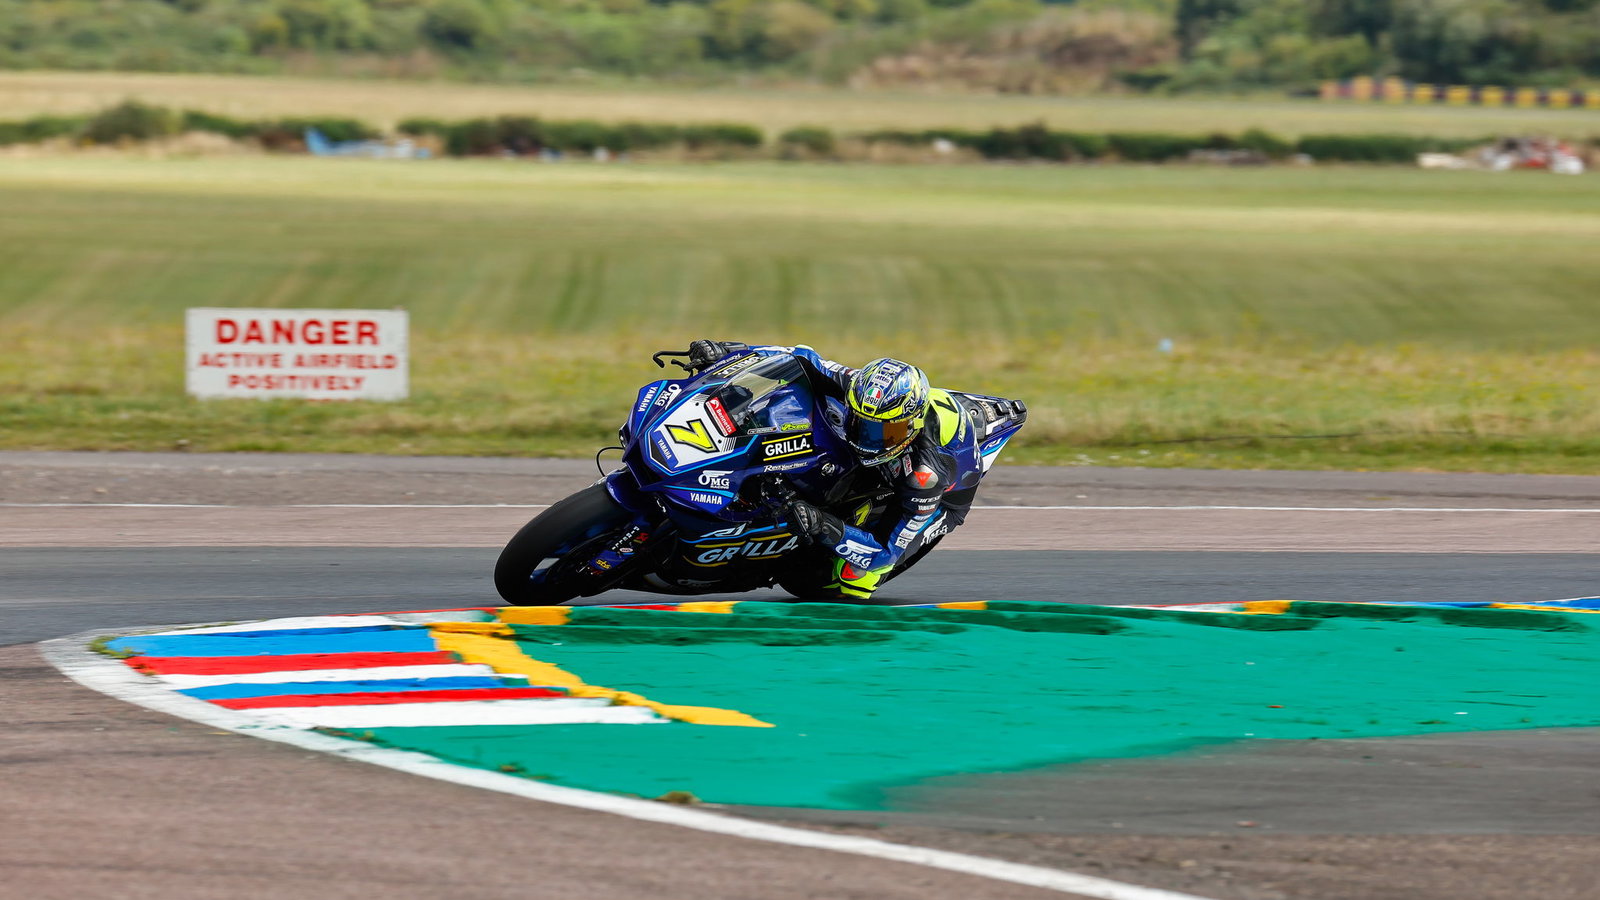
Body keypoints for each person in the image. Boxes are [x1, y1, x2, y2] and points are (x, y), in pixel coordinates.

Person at [684, 339, 1025, 601]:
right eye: (860, 422)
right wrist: (731, 351)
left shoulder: (925, 475)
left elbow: (883, 551)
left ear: (911, 425)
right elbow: (799, 357)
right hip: (901, 443)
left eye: (882, 432)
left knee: (851, 580)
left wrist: (824, 525)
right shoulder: (858, 386)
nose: (868, 438)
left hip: (942, 497)